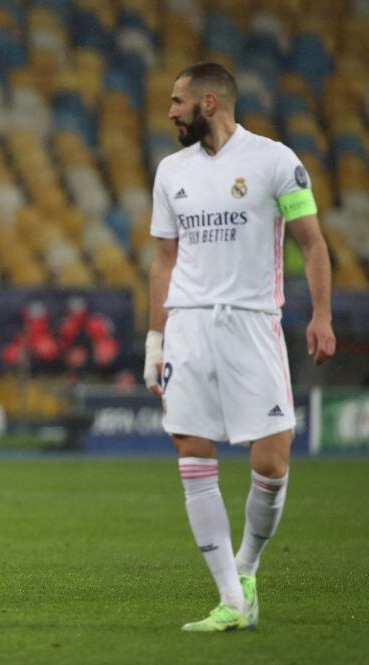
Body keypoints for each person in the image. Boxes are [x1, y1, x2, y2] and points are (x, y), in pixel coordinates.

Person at [144, 62, 335, 632]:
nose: (170, 111)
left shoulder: (275, 161)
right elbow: (163, 259)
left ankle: (247, 567)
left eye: (178, 101)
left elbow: (314, 243)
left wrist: (321, 313)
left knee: (272, 460)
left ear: (209, 102)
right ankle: (231, 599)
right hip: (188, 326)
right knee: (192, 450)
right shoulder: (170, 171)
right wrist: (155, 339)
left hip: (253, 322)